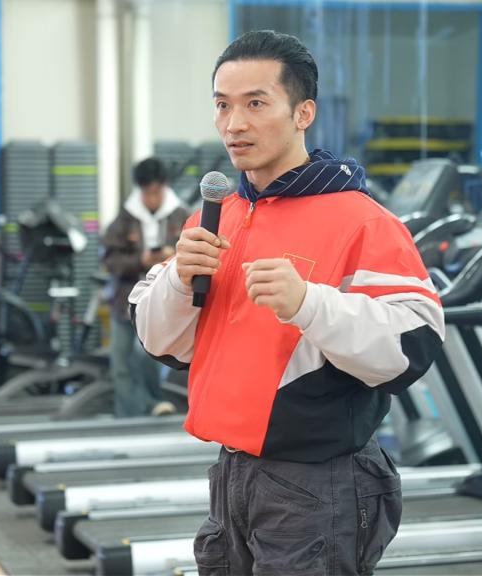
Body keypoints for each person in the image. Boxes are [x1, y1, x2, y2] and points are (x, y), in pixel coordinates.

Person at [129, 31, 446, 575]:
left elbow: (411, 348)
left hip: (317, 482)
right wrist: (178, 282)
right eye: (222, 106)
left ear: (303, 113)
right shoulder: (215, 216)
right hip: (232, 474)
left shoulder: (363, 221)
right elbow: (160, 342)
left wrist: (309, 304)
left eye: (255, 103)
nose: (234, 124)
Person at [102, 158, 188, 417]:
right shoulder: (125, 219)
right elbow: (110, 260)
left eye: (156, 192)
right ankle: (131, 414)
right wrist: (139, 261)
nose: (152, 199)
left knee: (148, 356)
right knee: (120, 362)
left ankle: (152, 405)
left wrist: (171, 257)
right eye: (147, 193)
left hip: (163, 302)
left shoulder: (181, 216)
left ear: (165, 187)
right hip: (124, 301)